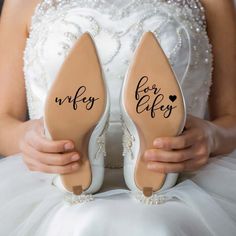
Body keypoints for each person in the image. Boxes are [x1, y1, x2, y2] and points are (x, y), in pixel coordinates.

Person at [0, 0, 236, 235]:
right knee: (80, 222)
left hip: (184, 178)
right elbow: (4, 119)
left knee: (156, 226)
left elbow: (231, 116)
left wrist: (211, 136)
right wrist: (25, 139)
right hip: (49, 179)